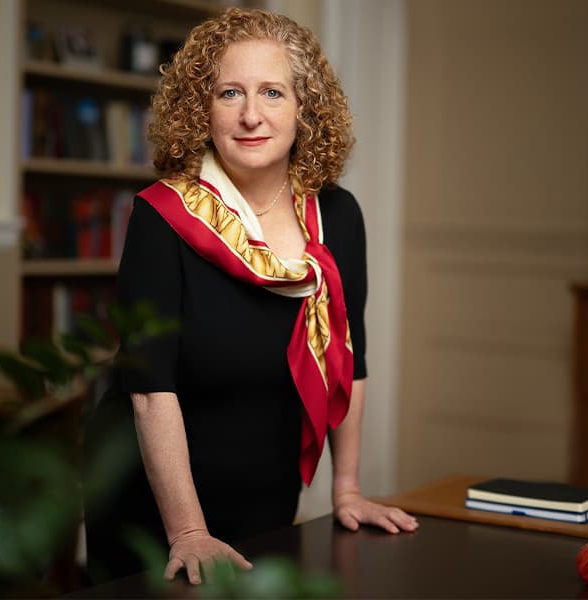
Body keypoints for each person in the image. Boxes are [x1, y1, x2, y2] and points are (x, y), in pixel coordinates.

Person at [83, 7, 418, 586]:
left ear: (303, 108)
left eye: (273, 92)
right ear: (200, 109)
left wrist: (347, 489)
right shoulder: (160, 217)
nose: (251, 115)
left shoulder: (337, 214)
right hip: (152, 503)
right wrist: (188, 530)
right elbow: (148, 390)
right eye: (229, 93)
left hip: (266, 490)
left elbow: (350, 360)